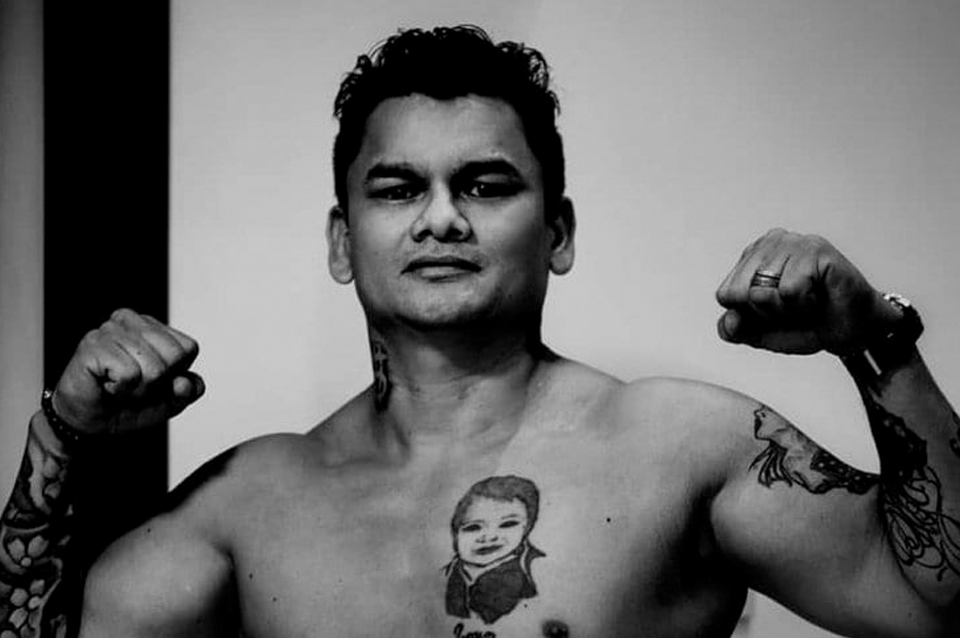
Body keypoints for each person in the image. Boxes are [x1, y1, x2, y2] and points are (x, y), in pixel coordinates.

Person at [2, 24, 958, 638]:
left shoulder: (679, 446)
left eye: (486, 185)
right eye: (397, 188)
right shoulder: (250, 502)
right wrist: (63, 435)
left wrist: (877, 341)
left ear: (559, 232)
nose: (441, 218)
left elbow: (938, 604)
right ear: (342, 241)